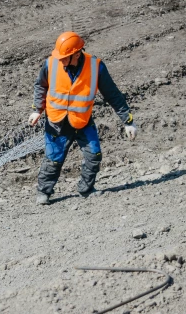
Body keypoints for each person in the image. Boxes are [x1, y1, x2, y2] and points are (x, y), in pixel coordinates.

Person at [28, 32, 137, 205]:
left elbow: (113, 95)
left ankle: (86, 189)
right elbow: (40, 86)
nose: (61, 60)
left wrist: (128, 121)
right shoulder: (51, 63)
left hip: (83, 121)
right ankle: (43, 192)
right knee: (53, 160)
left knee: (94, 156)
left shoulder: (96, 67)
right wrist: (37, 109)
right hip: (56, 123)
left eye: (65, 57)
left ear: (76, 55)